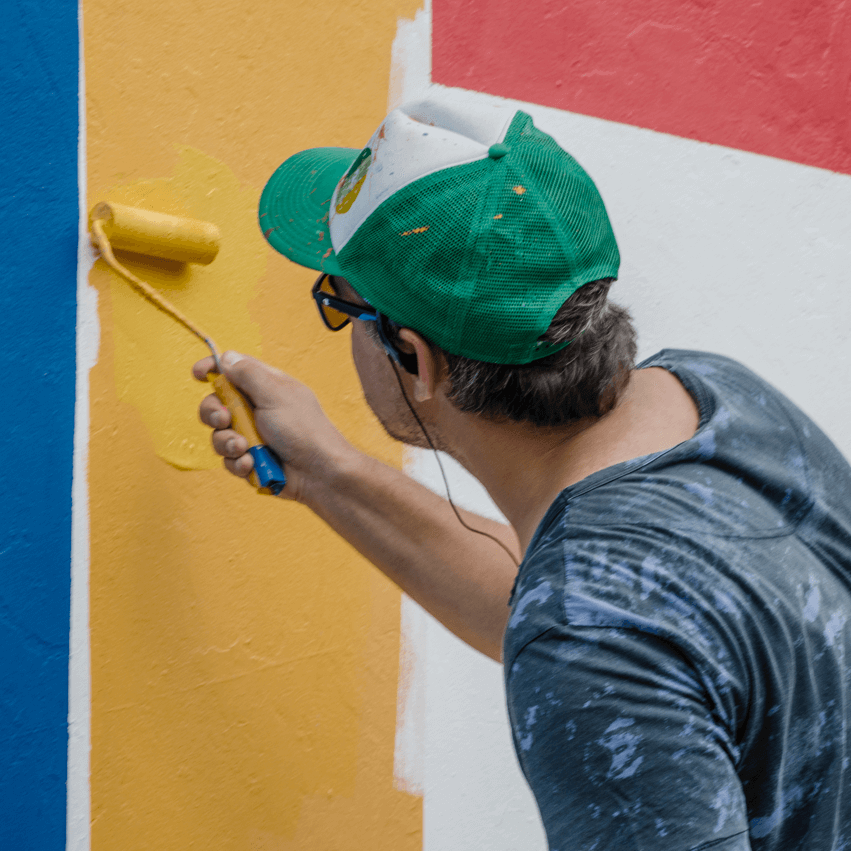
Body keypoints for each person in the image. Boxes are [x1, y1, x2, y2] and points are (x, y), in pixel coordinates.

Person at [194, 98, 851, 850]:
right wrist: (329, 472)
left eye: (339, 307)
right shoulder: (718, 396)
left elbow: (598, 626)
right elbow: (611, 620)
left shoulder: (588, 628)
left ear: (418, 360)